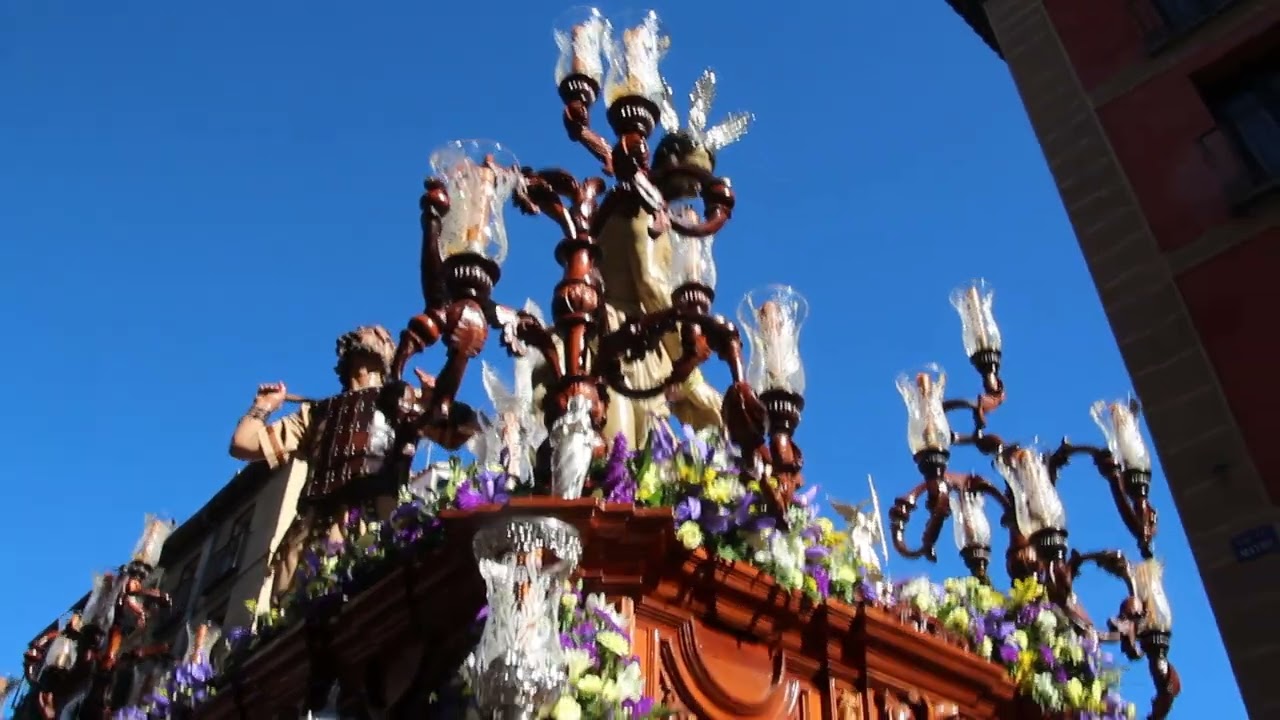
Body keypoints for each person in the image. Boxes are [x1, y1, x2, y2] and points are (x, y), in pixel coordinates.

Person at [228, 325, 477, 605]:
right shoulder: (315, 413)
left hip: (375, 521)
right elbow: (243, 443)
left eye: (381, 333)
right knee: (294, 612)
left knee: (376, 601)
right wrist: (263, 405)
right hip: (312, 532)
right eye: (366, 330)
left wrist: (442, 403)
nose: (370, 330)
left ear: (391, 353)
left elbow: (463, 433)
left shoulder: (404, 399)